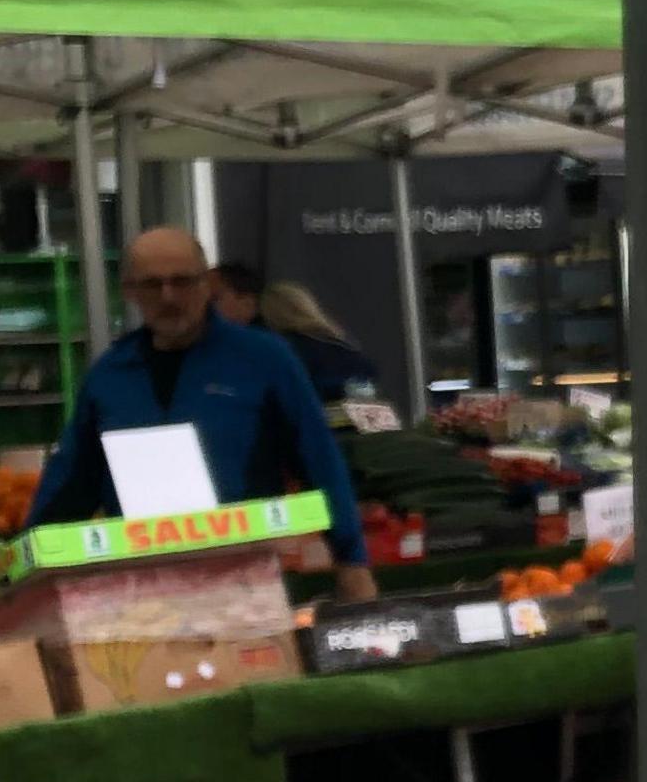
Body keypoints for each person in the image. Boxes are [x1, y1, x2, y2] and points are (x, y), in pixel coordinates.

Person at [32, 227, 378, 602]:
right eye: (152, 285)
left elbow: (318, 457)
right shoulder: (109, 375)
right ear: (129, 291)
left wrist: (351, 559)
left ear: (206, 284)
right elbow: (72, 481)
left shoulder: (263, 358)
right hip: (140, 588)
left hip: (246, 580)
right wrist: (30, 563)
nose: (168, 297)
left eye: (181, 282)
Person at [211, 258, 386, 400]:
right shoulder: (343, 346)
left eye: (214, 299)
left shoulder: (271, 350)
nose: (206, 308)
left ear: (251, 302)